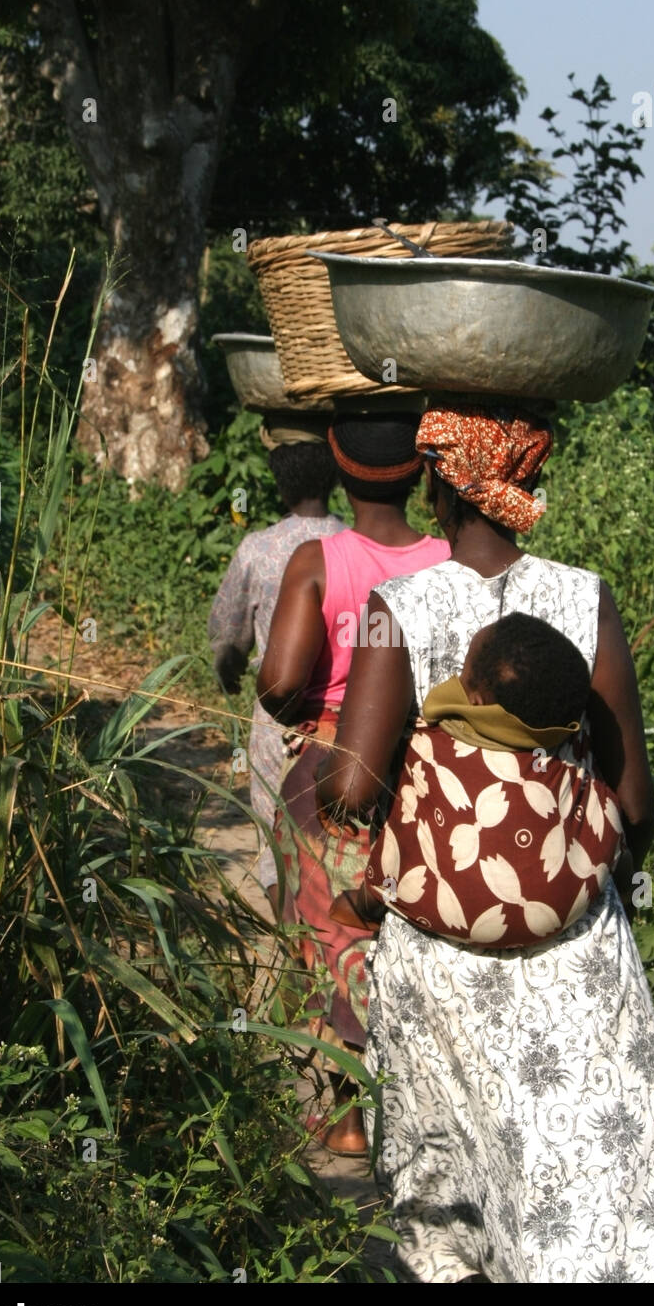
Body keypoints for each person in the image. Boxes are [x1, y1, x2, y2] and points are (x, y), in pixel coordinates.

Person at [316, 403, 654, 1281]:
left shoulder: (399, 606)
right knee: (592, 1183)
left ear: (439, 487)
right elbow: (633, 801)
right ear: (526, 480)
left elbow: (350, 791)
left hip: (440, 957)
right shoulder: (582, 595)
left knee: (452, 1188)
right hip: (573, 944)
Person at [257, 411, 450, 1155]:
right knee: (409, 922)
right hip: (428, 767)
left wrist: (307, 704)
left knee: (332, 929)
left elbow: (278, 682)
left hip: (333, 765)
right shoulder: (448, 557)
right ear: (421, 473)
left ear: (337, 465)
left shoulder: (318, 560)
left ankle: (346, 1114)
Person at [331, 612, 631, 947]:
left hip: (435, 905)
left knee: (405, 797)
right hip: (562, 905)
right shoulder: (569, 740)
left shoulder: (429, 739)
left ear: (476, 701)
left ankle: (368, 903)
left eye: (465, 674)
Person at [207, 417, 345, 910]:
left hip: (278, 725)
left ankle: (291, 953)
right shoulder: (353, 545)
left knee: (277, 845)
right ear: (335, 477)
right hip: (348, 723)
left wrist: (230, 669)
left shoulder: (258, 549)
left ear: (278, 481)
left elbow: (228, 639)